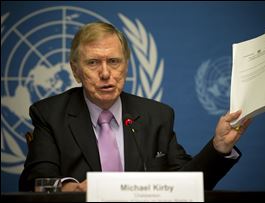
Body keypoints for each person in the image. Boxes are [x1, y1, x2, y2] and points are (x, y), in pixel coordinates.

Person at [19, 21, 251, 192]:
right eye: (92, 63)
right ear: (75, 71)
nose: (105, 73)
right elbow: (35, 181)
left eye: (113, 61)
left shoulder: (157, 116)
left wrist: (218, 147)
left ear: (126, 67)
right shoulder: (50, 114)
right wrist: (72, 189)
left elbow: (187, 184)